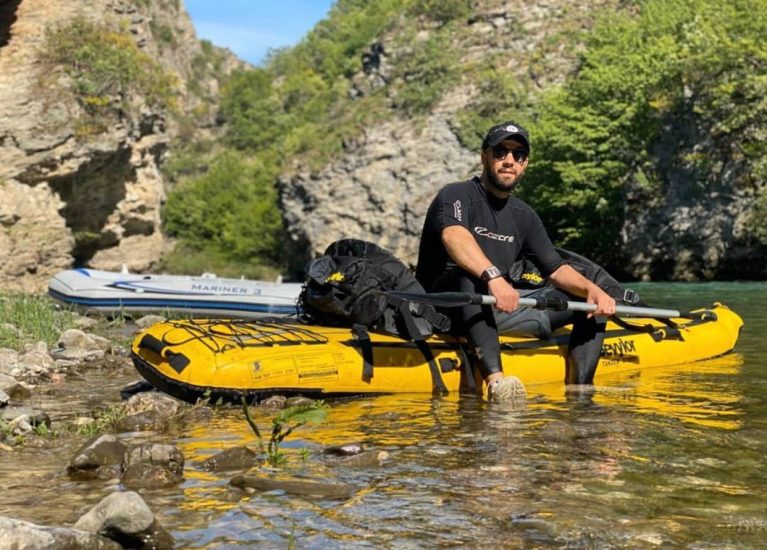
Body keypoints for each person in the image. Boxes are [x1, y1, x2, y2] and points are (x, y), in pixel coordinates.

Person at [415, 120, 616, 402]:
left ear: (525, 164)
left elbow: (556, 268)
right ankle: (498, 384)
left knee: (584, 301)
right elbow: (453, 235)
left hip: (496, 306)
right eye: (500, 152)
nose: (509, 160)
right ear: (484, 156)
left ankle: (580, 393)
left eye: (518, 155)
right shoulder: (457, 194)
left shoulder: (524, 215)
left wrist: (592, 290)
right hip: (445, 305)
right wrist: (493, 277)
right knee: (470, 277)